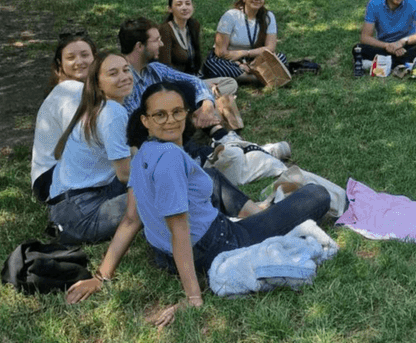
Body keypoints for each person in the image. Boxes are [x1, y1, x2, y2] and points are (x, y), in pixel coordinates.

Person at [65, 82, 331, 327]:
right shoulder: (170, 160)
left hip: (163, 256)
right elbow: (179, 231)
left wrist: (102, 276)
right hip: (216, 245)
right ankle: (257, 219)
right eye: (160, 114)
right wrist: (193, 298)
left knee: (211, 177)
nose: (170, 120)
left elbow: (131, 219)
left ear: (187, 114)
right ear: (145, 120)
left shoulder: (144, 152)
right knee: (317, 194)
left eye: (177, 112)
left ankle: (256, 214)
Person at [47, 52, 134, 244]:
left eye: (126, 70)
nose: (124, 77)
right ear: (98, 83)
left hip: (65, 208)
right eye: (113, 73)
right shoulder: (112, 112)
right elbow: (125, 175)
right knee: (159, 192)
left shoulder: (95, 107)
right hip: (81, 214)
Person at [118, 17, 219, 131]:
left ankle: (220, 133)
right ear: (139, 46)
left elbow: (194, 80)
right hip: (155, 143)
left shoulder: (155, 69)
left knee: (190, 90)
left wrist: (207, 104)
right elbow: (140, 128)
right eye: (156, 40)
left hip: (174, 128)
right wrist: (188, 124)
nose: (161, 44)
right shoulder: (123, 83)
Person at [31, 33, 97, 202]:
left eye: (85, 55)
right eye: (71, 57)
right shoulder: (70, 92)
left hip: (55, 176)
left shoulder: (80, 90)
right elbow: (88, 141)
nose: (79, 62)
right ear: (60, 64)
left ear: (95, 58)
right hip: (51, 183)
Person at [203, 0, 289, 84]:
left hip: (256, 59)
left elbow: (270, 48)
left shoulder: (268, 16)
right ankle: (260, 77)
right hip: (230, 60)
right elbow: (220, 52)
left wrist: (245, 53)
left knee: (281, 58)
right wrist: (239, 64)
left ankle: (244, 77)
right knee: (212, 64)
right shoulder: (231, 16)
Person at [157, 0, 238, 97]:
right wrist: (194, 82)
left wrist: (200, 81)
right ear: (170, 9)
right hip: (174, 84)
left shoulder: (193, 26)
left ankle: (205, 96)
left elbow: (197, 60)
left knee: (231, 83)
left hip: (195, 79)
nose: (184, 7)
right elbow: (165, 69)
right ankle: (207, 96)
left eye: (188, 3)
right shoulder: (165, 30)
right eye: (179, 4)